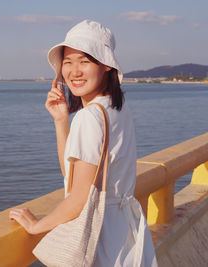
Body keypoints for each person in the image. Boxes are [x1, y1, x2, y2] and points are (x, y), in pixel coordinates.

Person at [9, 20, 158, 266]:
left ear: (106, 66)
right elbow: (75, 174)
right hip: (125, 233)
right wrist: (61, 121)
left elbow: (78, 199)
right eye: (68, 62)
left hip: (100, 238)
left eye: (85, 61)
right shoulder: (117, 109)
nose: (74, 71)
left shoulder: (89, 117)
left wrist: (37, 226)